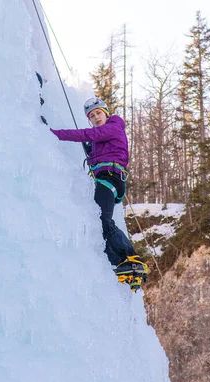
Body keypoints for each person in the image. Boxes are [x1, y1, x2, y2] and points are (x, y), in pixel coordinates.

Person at [50, 97, 149, 292]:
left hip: (110, 178)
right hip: (107, 178)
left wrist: (55, 135)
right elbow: (96, 144)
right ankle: (120, 265)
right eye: (91, 116)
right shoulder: (102, 138)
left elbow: (89, 134)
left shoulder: (114, 126)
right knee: (100, 223)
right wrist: (91, 151)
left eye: (98, 113)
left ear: (106, 112)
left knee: (102, 219)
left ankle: (129, 257)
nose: (95, 117)